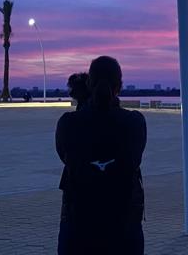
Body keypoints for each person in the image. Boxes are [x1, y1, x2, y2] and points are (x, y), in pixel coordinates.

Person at [55, 56, 146, 255]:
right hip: (124, 226)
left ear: (89, 84)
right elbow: (135, 157)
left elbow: (64, 155)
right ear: (119, 87)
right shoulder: (134, 123)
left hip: (78, 225)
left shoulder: (68, 124)